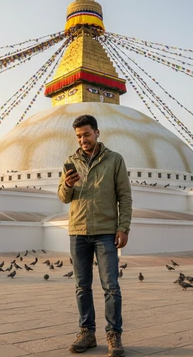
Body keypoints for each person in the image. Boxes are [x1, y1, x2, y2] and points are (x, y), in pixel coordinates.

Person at [58, 114, 132, 357]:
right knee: (82, 286)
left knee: (111, 286)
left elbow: (124, 196)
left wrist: (123, 227)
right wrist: (67, 185)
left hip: (105, 232)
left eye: (86, 134)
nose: (83, 140)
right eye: (79, 136)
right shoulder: (70, 161)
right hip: (78, 232)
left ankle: (114, 334)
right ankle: (87, 332)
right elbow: (63, 196)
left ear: (97, 133)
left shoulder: (114, 160)